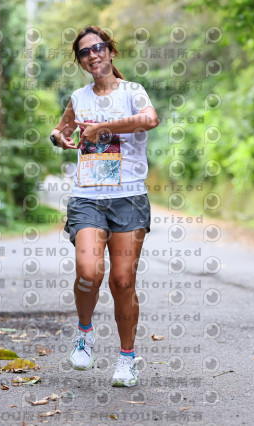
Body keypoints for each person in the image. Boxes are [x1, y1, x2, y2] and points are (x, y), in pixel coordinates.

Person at [49, 25, 159, 387]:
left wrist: (103, 128)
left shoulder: (133, 91)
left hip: (129, 197)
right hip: (88, 198)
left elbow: (150, 120)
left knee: (123, 281)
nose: (92, 55)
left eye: (98, 48)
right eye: (84, 52)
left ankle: (127, 358)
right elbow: (60, 130)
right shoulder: (78, 98)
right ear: (80, 61)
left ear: (110, 51)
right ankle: (85, 333)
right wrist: (59, 138)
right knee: (89, 273)